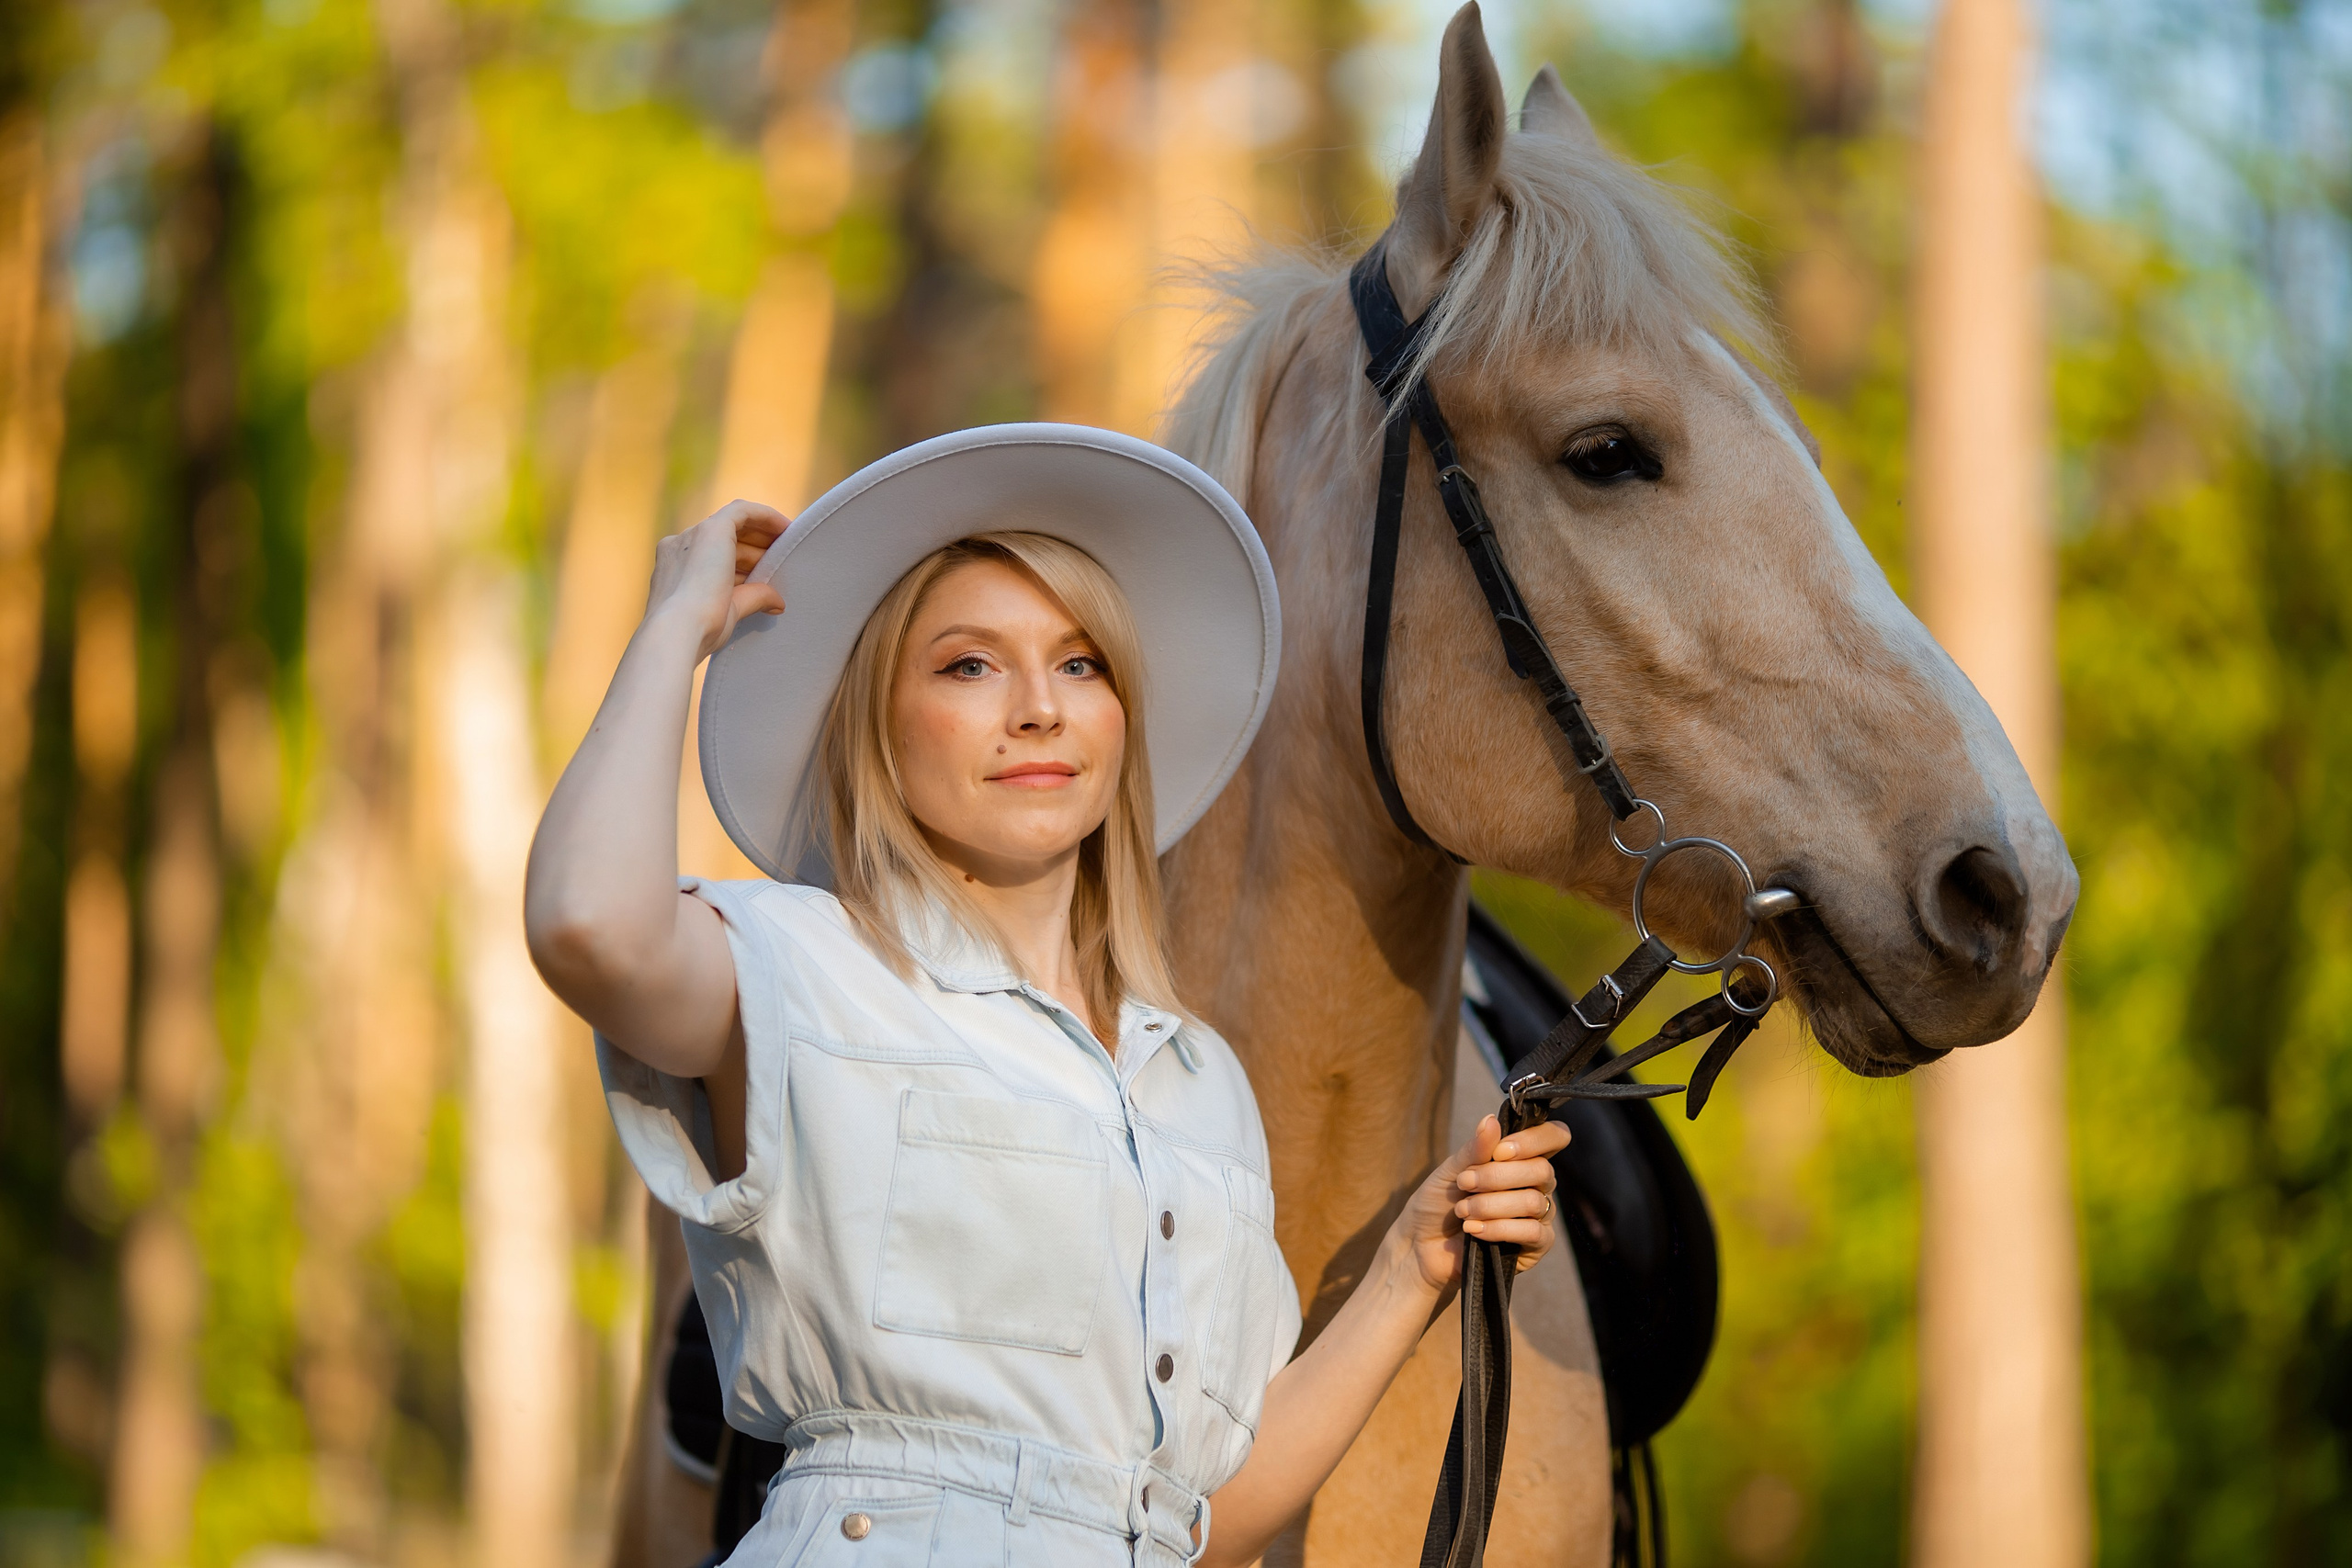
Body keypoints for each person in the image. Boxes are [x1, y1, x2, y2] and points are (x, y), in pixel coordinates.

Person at [526, 425, 1569, 1567]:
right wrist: (674, 631)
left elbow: (1198, 1525)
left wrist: (1410, 1268)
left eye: (1082, 664)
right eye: (969, 665)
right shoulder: (801, 964)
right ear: (880, 724)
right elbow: (587, 926)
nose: (1039, 707)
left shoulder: (1199, 1080)